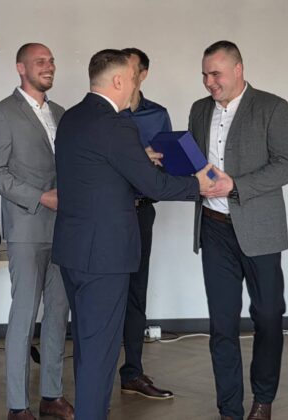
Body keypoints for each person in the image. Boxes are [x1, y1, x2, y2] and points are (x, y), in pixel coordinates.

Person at [52, 49, 215, 420]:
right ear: (118, 80)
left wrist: (140, 159)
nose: (134, 87)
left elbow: (97, 171)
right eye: (132, 78)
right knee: (101, 354)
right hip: (104, 256)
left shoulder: (72, 118)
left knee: (88, 347)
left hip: (72, 251)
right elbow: (153, 185)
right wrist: (199, 185)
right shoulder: (117, 125)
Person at [189, 41, 288, 420]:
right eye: (204, 74)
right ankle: (229, 410)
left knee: (268, 316)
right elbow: (194, 163)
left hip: (260, 230)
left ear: (238, 69)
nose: (209, 82)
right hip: (213, 229)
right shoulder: (199, 110)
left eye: (215, 74)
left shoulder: (273, 107)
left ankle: (263, 400)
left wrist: (235, 185)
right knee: (222, 325)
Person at [0, 43, 72, 420]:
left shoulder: (62, 114)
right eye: (40, 61)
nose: (49, 66)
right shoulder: (1, 113)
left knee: (58, 315)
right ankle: (17, 406)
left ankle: (52, 396)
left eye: (51, 61)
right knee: (24, 316)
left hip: (65, 229)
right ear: (21, 68)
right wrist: (40, 197)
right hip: (26, 228)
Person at [118, 47, 174, 401]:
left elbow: (169, 168)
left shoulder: (158, 115)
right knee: (105, 292)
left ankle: (133, 372)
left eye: (131, 69)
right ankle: (96, 376)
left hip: (140, 211)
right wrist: (140, 159)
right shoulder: (103, 113)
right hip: (105, 213)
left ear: (143, 74)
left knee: (137, 291)